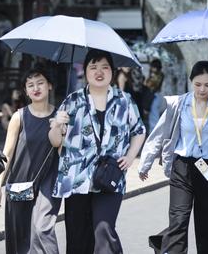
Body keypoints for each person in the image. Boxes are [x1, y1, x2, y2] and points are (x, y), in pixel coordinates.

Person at [49, 49, 146, 254]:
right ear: (85, 72)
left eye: (105, 67)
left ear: (112, 71)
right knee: (78, 237)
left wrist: (130, 157)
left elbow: (139, 131)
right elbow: (55, 141)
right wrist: (57, 125)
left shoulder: (124, 100)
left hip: (109, 177)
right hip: (77, 179)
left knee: (104, 229)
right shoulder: (73, 101)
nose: (99, 72)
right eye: (93, 67)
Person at [139, 61, 208, 253]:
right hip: (182, 167)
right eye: (197, 84)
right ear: (191, 82)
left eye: (207, 84)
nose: (202, 89)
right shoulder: (179, 104)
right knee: (178, 220)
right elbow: (159, 133)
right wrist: (145, 163)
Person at [0, 66, 60, 254]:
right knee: (20, 238)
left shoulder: (60, 117)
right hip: (20, 184)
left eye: (40, 82)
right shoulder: (19, 117)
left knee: (42, 229)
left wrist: (59, 126)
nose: (36, 87)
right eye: (30, 85)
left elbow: (63, 151)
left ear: (49, 86)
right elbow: (6, 153)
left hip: (47, 183)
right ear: (26, 91)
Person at [146, 58, 165, 132]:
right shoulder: (161, 74)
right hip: (157, 96)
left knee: (153, 117)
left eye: (152, 66)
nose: (151, 68)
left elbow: (149, 84)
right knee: (154, 116)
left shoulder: (156, 76)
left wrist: (149, 77)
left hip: (154, 96)